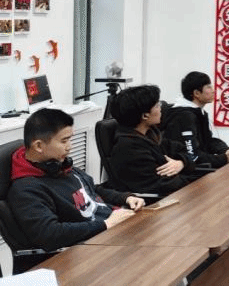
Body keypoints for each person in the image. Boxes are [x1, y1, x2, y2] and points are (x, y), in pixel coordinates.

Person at [8, 109, 143, 264]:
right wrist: (105, 224)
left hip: (112, 232)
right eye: (64, 141)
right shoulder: (26, 189)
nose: (69, 147)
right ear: (39, 146)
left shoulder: (59, 166)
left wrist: (125, 198)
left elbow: (92, 190)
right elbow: (50, 234)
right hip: (89, 253)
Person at [109, 84, 196, 196]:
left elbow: (186, 152)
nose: (160, 108)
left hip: (177, 193)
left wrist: (181, 163)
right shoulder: (129, 148)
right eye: (157, 105)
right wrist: (187, 172)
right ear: (145, 116)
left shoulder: (151, 135)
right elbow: (162, 185)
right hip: (156, 202)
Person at [163, 71, 229, 168]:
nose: (213, 91)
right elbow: (192, 156)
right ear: (196, 93)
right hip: (188, 171)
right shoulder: (184, 116)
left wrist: (225, 150)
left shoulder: (199, 112)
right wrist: (222, 158)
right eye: (209, 87)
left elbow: (208, 141)